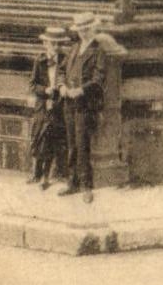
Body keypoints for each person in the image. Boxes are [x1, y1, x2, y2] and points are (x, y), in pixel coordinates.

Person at [58, 13, 107, 204]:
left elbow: (98, 80)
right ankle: (73, 183)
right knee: (71, 144)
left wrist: (81, 90)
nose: (83, 33)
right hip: (69, 103)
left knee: (82, 145)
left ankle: (87, 186)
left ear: (93, 29)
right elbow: (62, 70)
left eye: (86, 29)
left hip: (85, 105)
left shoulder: (98, 51)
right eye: (80, 30)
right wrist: (62, 86)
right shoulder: (75, 48)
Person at [27, 26, 68, 190]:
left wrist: (60, 89)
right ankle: (36, 173)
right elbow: (32, 85)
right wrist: (45, 90)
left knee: (52, 140)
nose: (56, 47)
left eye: (59, 44)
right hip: (43, 107)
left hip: (58, 107)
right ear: (45, 44)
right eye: (53, 44)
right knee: (39, 138)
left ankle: (47, 176)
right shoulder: (40, 61)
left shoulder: (65, 60)